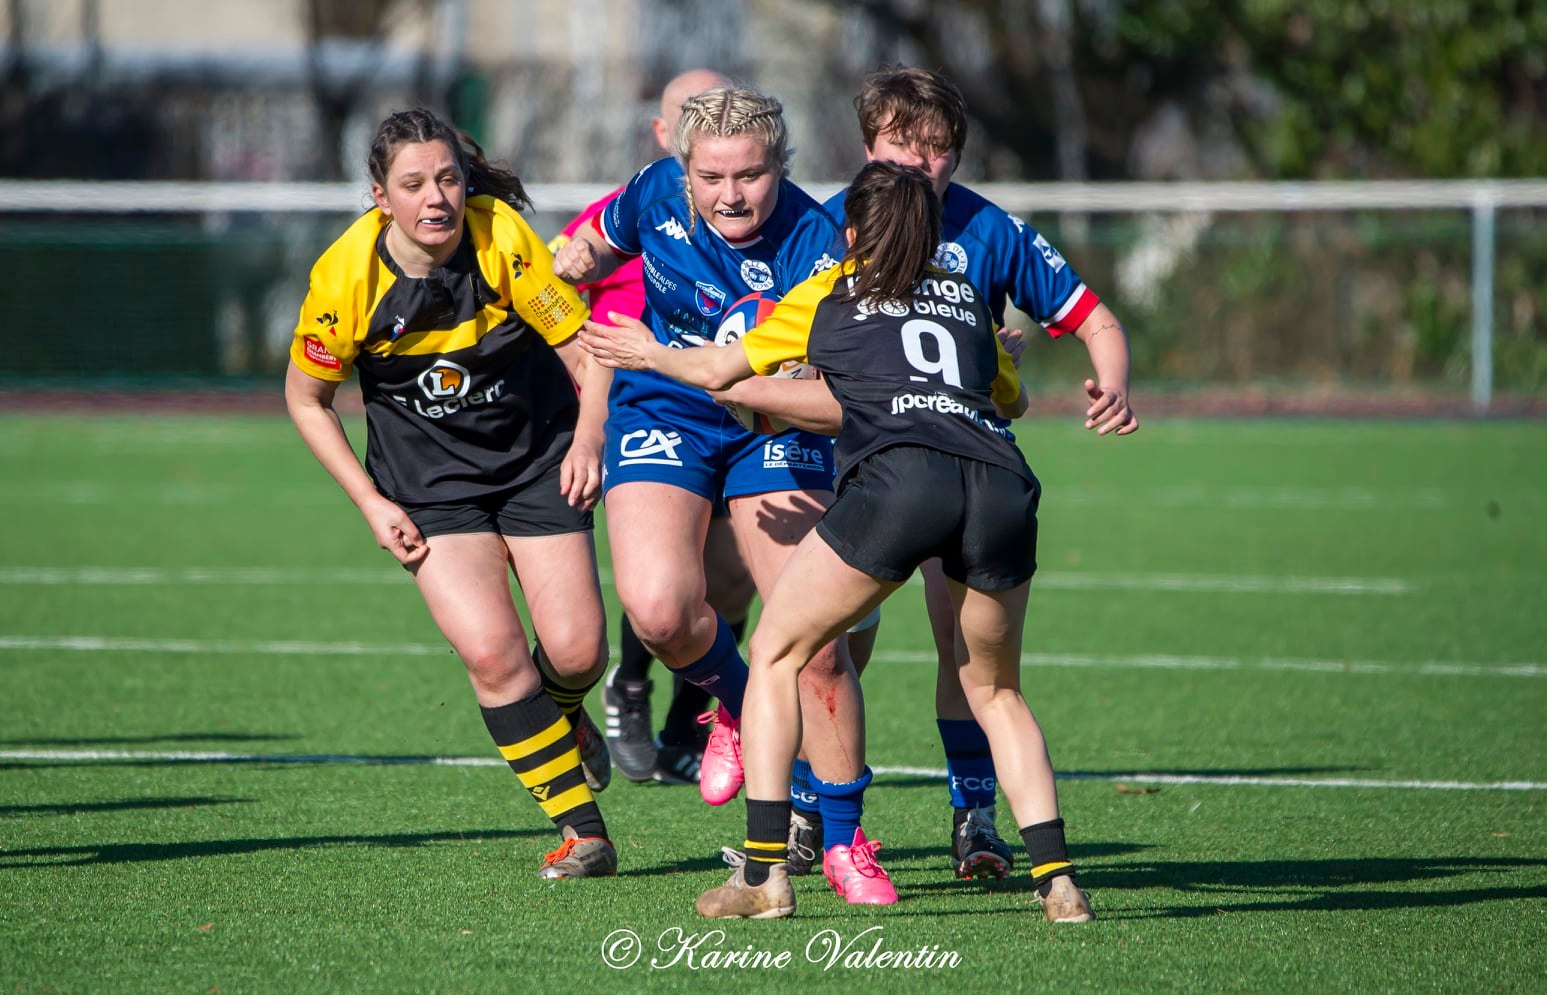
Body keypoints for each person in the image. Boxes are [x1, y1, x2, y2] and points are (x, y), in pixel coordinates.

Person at [583, 160, 1128, 922]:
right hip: (1002, 487)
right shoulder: (967, 297)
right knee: (997, 691)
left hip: (902, 486)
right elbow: (1015, 398)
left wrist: (647, 354)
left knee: (777, 652)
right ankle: (1059, 883)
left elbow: (712, 367)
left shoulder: (828, 288)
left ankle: (766, 877)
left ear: (849, 234)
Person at [553, 85, 898, 905]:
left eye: (750, 174)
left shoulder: (819, 244)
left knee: (815, 642)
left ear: (780, 166)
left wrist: (765, 390)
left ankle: (845, 837)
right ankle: (744, 708)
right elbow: (583, 253)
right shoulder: (649, 195)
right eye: (711, 176)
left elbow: (826, 388)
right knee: (660, 612)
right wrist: (570, 272)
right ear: (683, 169)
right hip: (665, 407)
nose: (730, 194)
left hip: (772, 423)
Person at [821, 65, 1139, 882]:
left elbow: (1092, 315)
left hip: (961, 460)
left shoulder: (991, 231)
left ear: (955, 157)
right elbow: (781, 333)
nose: (918, 162)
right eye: (901, 143)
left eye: (936, 148)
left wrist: (1111, 376)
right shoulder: (828, 225)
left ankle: (973, 815)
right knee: (830, 646)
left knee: (963, 649)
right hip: (851, 460)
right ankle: (811, 807)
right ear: (868, 146)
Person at [284, 107, 617, 879]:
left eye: (446, 178)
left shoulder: (498, 235)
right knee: (495, 653)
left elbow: (583, 350)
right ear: (380, 196)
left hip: (537, 457)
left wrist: (591, 437)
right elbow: (307, 400)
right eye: (412, 184)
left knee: (575, 649)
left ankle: (563, 719)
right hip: (429, 491)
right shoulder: (344, 279)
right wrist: (371, 502)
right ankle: (582, 831)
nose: (434, 197)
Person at [549, 68, 754, 786]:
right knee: (663, 590)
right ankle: (631, 684)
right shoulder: (641, 197)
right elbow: (555, 284)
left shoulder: (777, 221)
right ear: (668, 136)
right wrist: (585, 397)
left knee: (730, 587)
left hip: (744, 408)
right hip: (650, 408)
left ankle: (703, 716)